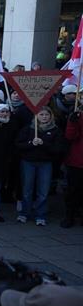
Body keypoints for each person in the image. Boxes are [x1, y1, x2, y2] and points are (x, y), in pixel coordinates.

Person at [15, 107, 67, 226]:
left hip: (45, 164)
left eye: (46, 115)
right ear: (36, 116)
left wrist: (44, 144)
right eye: (41, 114)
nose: (44, 117)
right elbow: (18, 144)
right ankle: (24, 213)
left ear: (51, 116)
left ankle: (40, 214)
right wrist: (31, 143)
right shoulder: (28, 129)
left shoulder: (56, 131)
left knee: (43, 191)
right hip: (28, 162)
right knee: (27, 189)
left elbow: (58, 149)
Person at [63, 96, 83, 228]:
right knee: (73, 190)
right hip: (77, 160)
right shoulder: (78, 116)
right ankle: (70, 216)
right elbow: (70, 136)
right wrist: (72, 122)